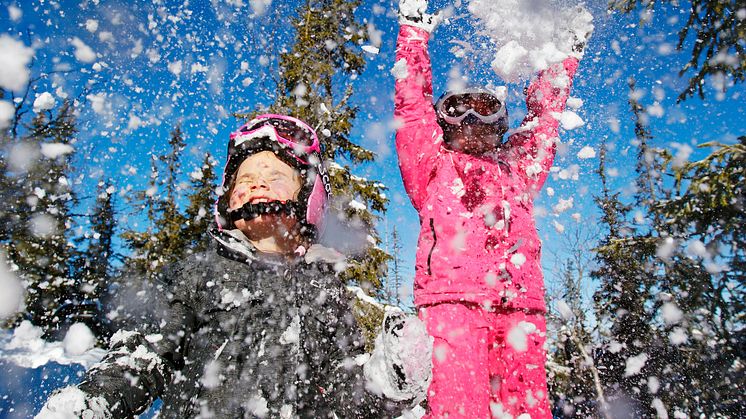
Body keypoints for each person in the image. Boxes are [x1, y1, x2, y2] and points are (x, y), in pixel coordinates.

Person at [37, 114, 432, 418]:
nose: (257, 184)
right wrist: (93, 401)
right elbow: (147, 356)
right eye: (245, 178)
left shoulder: (326, 293)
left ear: (309, 196)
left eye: (276, 176)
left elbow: (345, 399)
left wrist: (386, 384)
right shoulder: (199, 273)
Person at [394, 0, 591, 417]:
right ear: (443, 124)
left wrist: (562, 57)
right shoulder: (431, 167)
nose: (470, 118)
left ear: (501, 125)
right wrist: (413, 35)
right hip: (452, 305)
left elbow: (546, 120)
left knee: (527, 411)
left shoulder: (518, 168)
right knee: (457, 409)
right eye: (457, 109)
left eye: (485, 109)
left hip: (521, 308)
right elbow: (412, 109)